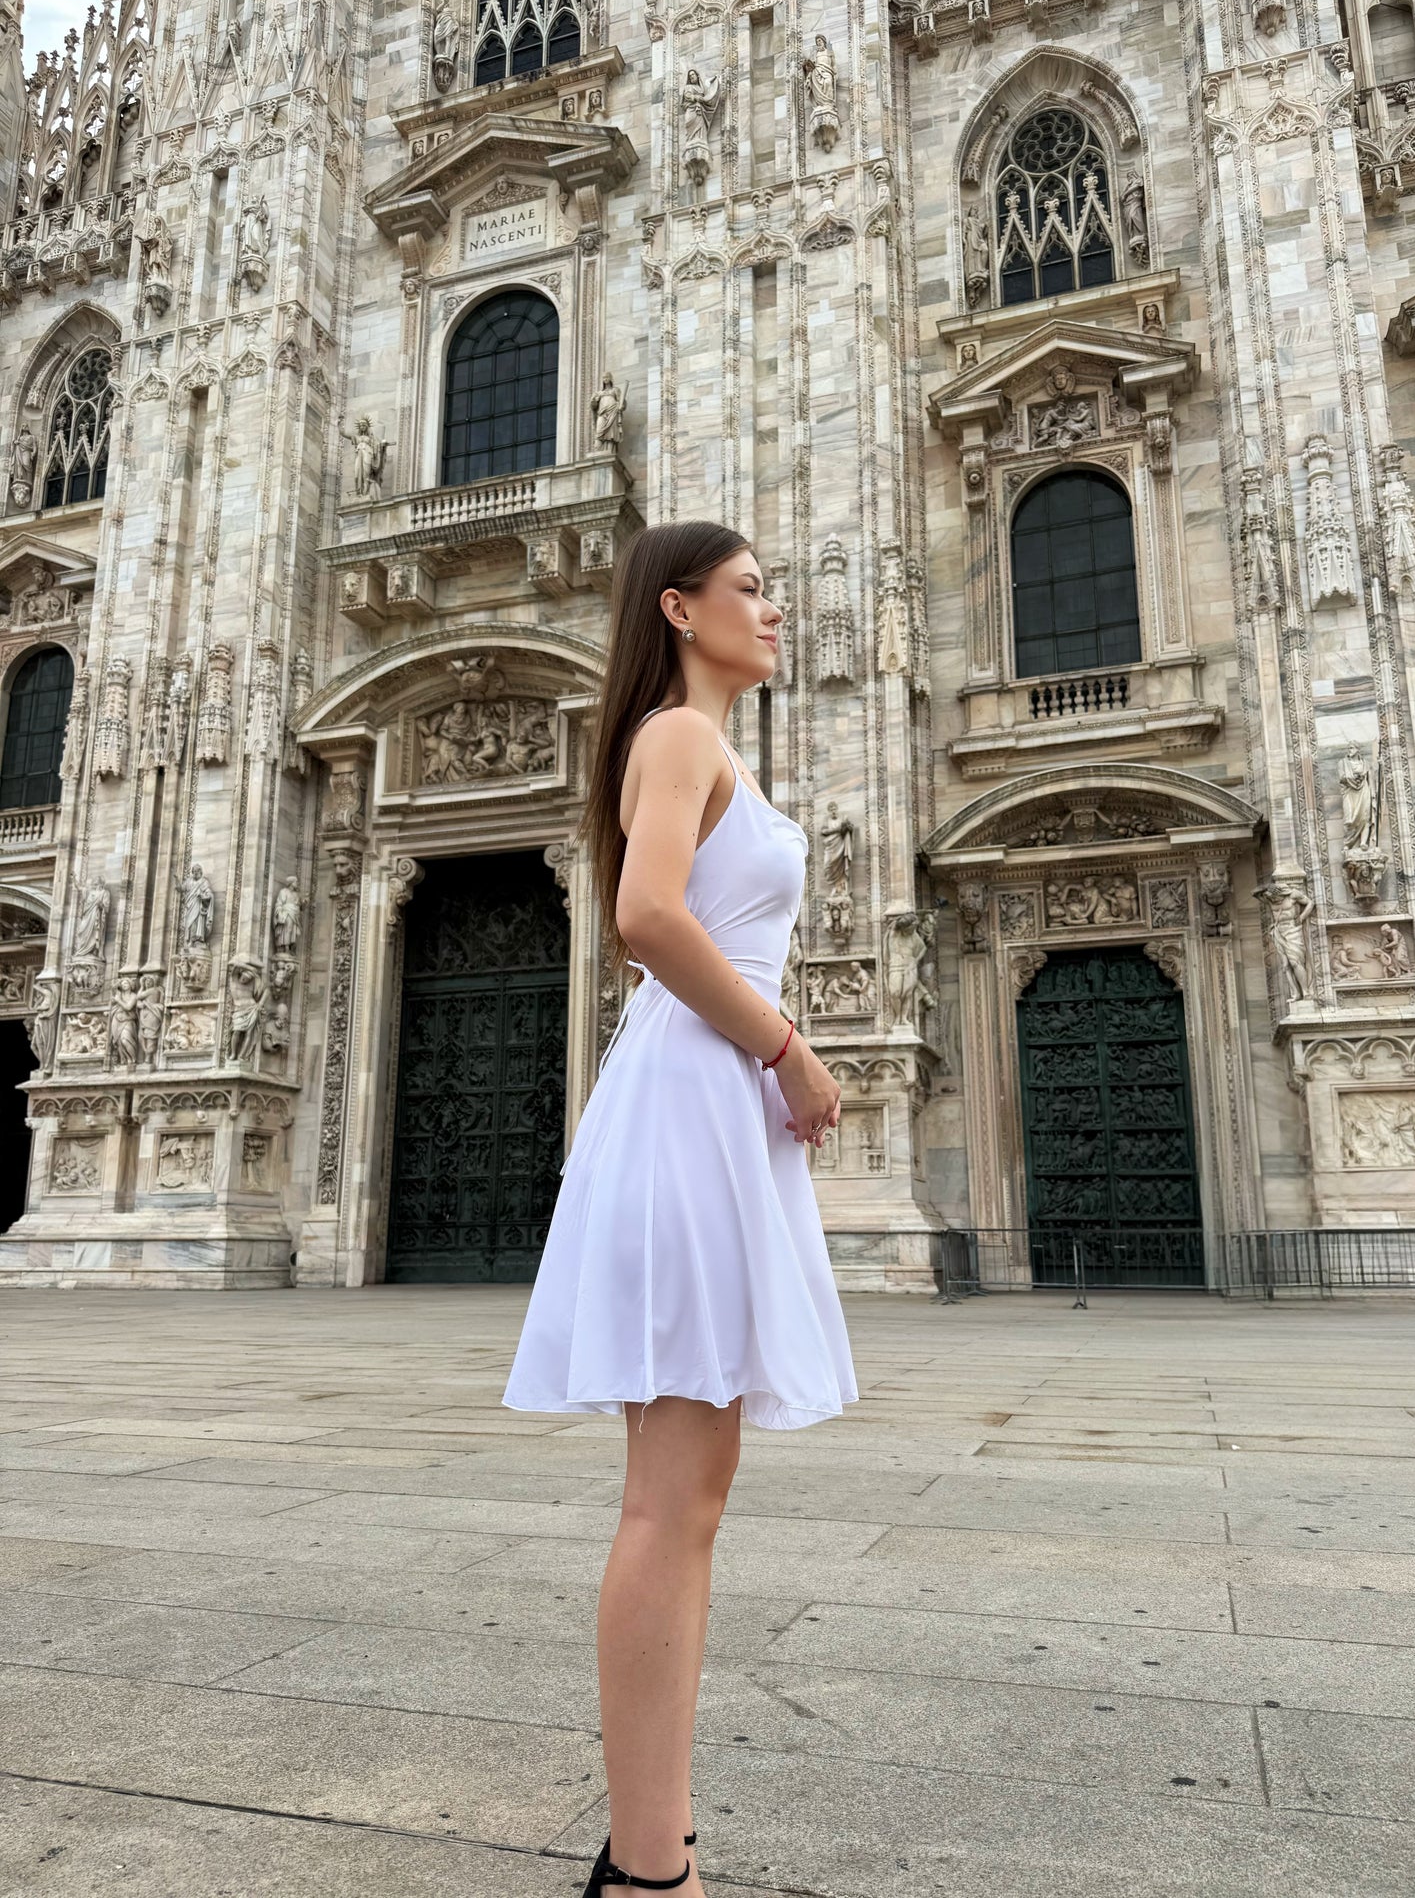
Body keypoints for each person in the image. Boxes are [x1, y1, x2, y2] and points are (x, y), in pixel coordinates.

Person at [503, 521, 857, 1897]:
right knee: (669, 1500)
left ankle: (657, 1843)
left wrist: (769, 1053)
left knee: (690, 1496)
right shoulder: (673, 736)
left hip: (711, 1103)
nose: (772, 611)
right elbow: (647, 918)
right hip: (700, 1096)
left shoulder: (705, 749)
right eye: (750, 590)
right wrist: (786, 1049)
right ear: (679, 605)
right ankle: (650, 1875)